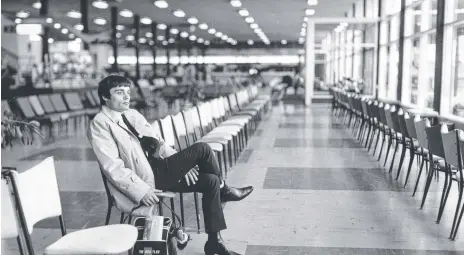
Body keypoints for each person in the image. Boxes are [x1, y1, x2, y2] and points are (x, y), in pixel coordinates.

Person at [88, 75, 253, 255]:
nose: (127, 97)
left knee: (211, 180)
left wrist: (183, 167)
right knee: (203, 149)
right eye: (119, 93)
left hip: (160, 169)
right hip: (146, 180)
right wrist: (142, 190)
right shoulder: (100, 124)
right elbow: (112, 167)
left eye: (128, 92)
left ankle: (215, 242)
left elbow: (160, 144)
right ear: (105, 96)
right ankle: (225, 191)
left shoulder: (131, 114)